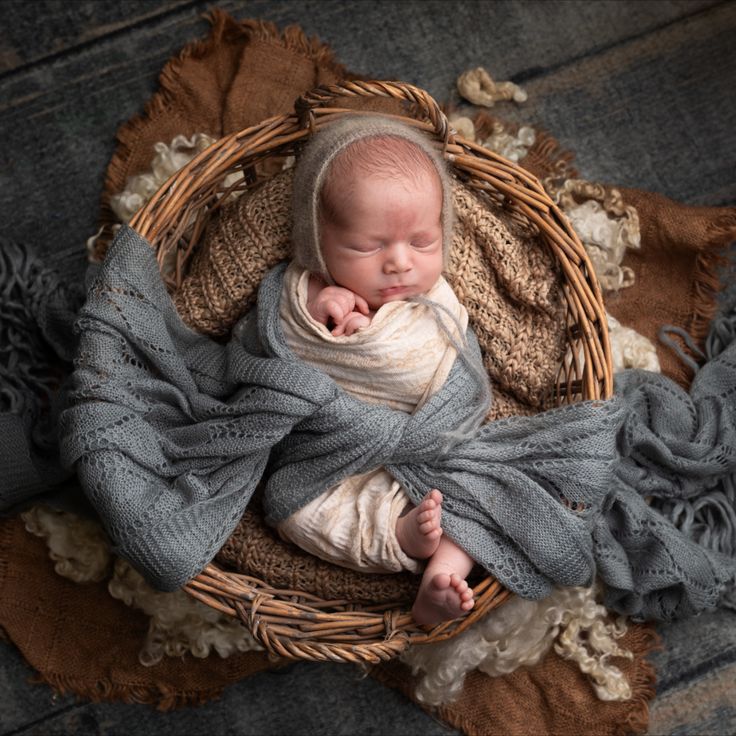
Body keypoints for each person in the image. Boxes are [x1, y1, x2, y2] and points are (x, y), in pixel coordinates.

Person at [271, 115, 491, 625]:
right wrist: (318, 310)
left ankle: (441, 576)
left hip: (435, 447)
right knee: (300, 513)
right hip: (336, 459)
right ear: (318, 242)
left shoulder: (437, 298)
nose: (399, 263)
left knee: (485, 494)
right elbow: (272, 348)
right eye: (368, 247)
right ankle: (398, 538)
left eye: (421, 242)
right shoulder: (308, 291)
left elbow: (463, 369)